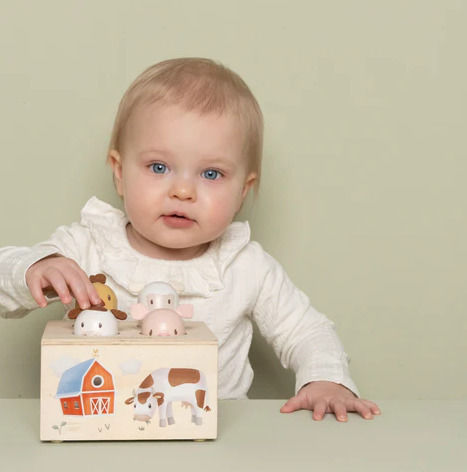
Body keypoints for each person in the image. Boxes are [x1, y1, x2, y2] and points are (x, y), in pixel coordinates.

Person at [0, 57, 380, 421]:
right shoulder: (89, 247)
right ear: (119, 173)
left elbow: (306, 330)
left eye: (211, 174)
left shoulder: (244, 265)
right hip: (106, 431)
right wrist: (37, 267)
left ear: (242, 193)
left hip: (217, 437)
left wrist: (326, 380)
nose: (183, 191)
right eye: (159, 167)